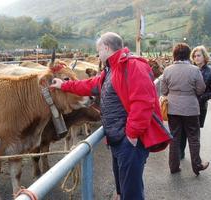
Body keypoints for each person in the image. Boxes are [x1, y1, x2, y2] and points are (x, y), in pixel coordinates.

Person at [51, 32, 170, 200]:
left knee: (132, 192)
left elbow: (143, 102)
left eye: (98, 50)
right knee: (124, 186)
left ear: (106, 47)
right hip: (117, 139)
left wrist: (132, 134)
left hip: (129, 142)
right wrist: (64, 85)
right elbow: (90, 85)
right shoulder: (111, 70)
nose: (98, 54)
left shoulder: (133, 66)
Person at [161, 43, 209, 175]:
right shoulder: (195, 70)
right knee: (193, 137)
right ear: (188, 55)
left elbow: (164, 91)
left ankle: (174, 167)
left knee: (174, 137)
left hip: (173, 109)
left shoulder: (168, 70)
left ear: (175, 54)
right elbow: (201, 89)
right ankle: (197, 166)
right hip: (191, 109)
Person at [179, 45, 211, 159]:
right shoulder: (190, 69)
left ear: (204, 56)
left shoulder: (209, 71)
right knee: (182, 130)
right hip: (186, 105)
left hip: (200, 106)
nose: (196, 58)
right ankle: (180, 153)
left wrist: (200, 98)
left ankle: (195, 159)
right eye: (194, 56)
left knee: (194, 134)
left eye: (199, 55)